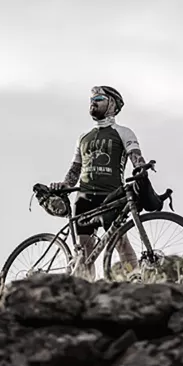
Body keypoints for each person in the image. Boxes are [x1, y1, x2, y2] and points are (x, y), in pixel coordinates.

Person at [50, 85, 148, 281]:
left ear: (112, 104)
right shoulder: (83, 137)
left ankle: (134, 279)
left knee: (120, 241)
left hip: (111, 196)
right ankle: (86, 287)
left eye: (99, 99)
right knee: (84, 250)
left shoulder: (123, 132)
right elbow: (75, 169)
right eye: (91, 100)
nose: (93, 103)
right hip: (84, 198)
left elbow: (136, 156)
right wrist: (64, 184)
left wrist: (142, 168)